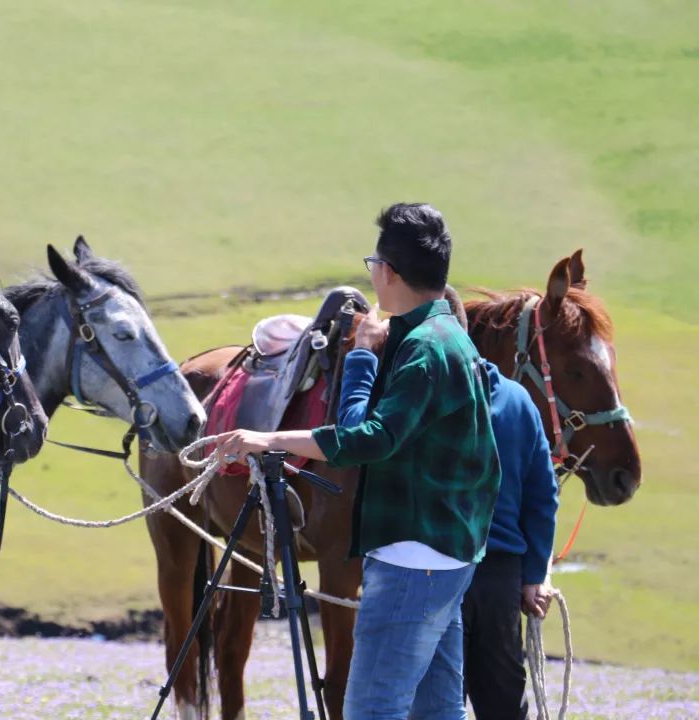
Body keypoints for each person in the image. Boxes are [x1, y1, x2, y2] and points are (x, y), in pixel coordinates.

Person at [213, 202, 501, 720]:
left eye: (374, 264)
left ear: (387, 272)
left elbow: (362, 438)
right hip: (450, 557)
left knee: (371, 710)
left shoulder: (423, 350)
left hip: (412, 564)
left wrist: (269, 438)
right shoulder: (449, 338)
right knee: (438, 711)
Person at [337, 299, 560, 718]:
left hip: (435, 564)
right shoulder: (518, 400)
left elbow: (359, 440)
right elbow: (543, 495)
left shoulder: (418, 398)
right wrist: (533, 575)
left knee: (432, 698)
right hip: (499, 576)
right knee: (502, 699)